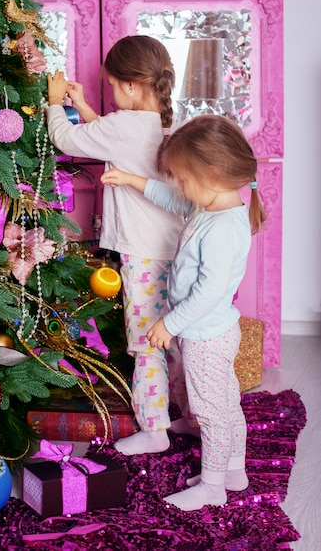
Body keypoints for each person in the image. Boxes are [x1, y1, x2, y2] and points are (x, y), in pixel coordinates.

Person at [101, 114, 266, 511]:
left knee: (211, 413)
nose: (181, 187)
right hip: (212, 331)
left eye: (184, 178)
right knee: (226, 404)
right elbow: (171, 198)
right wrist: (132, 180)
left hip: (206, 336)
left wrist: (168, 323)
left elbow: (208, 292)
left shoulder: (223, 227)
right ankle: (234, 470)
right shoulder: (211, 207)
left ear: (211, 173)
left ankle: (212, 487)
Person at [46, 35, 190, 456]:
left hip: (142, 252)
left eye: (110, 86)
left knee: (145, 340)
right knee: (177, 336)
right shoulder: (159, 123)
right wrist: (88, 106)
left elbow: (67, 139)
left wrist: (57, 102)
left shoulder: (121, 127)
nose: (109, 93)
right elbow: (108, 135)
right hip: (174, 247)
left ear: (129, 86)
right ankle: (190, 415)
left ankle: (154, 428)